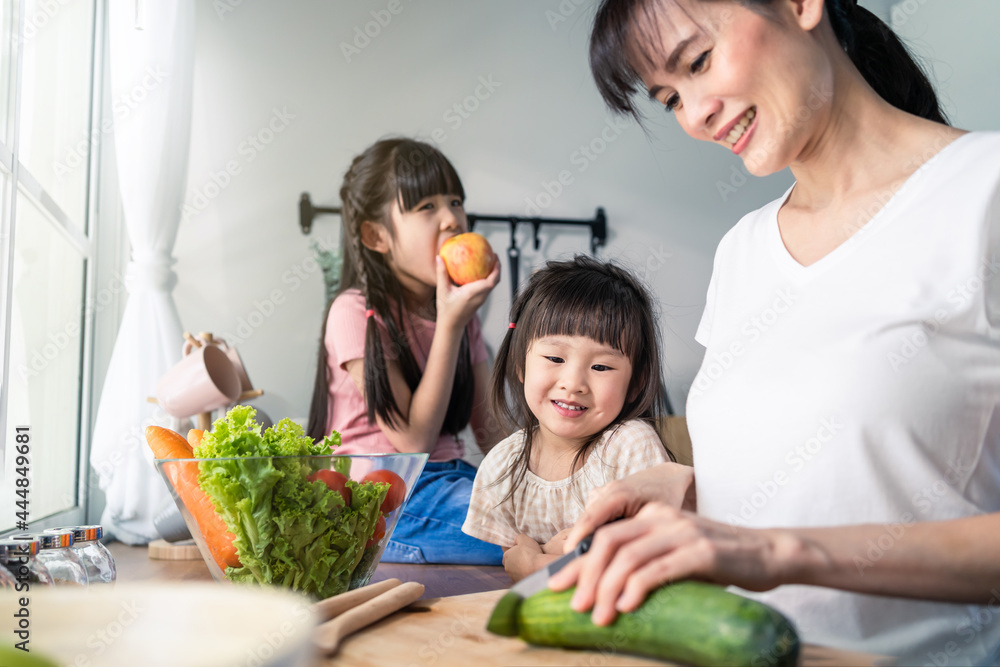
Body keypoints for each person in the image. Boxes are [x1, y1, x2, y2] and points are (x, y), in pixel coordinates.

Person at [548, 0, 1000, 663]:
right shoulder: (743, 249)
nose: (696, 116)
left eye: (699, 61)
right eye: (671, 97)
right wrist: (690, 489)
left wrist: (778, 551)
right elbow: (839, 466)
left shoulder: (982, 191)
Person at [306, 138, 505, 565]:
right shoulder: (354, 312)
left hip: (448, 483)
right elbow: (412, 441)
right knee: (530, 531)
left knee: (549, 513)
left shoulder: (462, 316)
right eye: (426, 207)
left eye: (455, 201)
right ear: (376, 236)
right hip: (385, 502)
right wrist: (451, 322)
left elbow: (491, 432)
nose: (452, 219)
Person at [461, 256, 674, 581]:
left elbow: (636, 567)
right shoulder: (502, 465)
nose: (573, 383)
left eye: (601, 367)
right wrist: (555, 554)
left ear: (636, 382)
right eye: (555, 358)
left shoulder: (630, 447)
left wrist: (538, 563)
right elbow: (513, 558)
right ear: (520, 362)